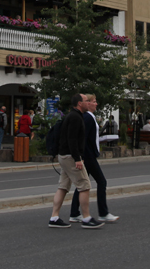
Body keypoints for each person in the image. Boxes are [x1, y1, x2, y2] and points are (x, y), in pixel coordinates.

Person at [49, 93, 104, 229]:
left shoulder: (73, 116)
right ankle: (86, 218)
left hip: (64, 155)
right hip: (70, 157)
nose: (88, 103)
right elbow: (72, 139)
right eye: (86, 101)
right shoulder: (75, 117)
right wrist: (78, 158)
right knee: (84, 185)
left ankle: (54, 217)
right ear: (79, 103)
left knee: (63, 187)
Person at [70, 94, 118, 223]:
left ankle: (74, 213)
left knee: (82, 184)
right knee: (101, 181)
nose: (96, 104)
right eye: (93, 101)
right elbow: (83, 137)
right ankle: (103, 212)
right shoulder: (88, 117)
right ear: (88, 103)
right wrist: (82, 155)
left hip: (88, 154)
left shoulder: (89, 117)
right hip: (88, 155)